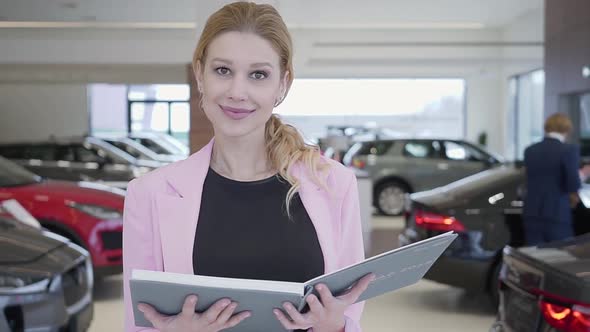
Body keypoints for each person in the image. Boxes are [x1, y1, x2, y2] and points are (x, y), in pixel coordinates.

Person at [123, 2, 373, 332]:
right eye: (223, 71)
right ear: (200, 74)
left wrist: (335, 327)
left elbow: (349, 314)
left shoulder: (333, 184)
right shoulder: (149, 194)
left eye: (258, 74)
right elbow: (137, 323)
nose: (237, 92)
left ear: (282, 85)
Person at [523, 113, 581, 245]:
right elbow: (572, 183)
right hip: (557, 213)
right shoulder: (569, 150)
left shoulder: (530, 150)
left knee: (535, 258)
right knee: (559, 258)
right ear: (567, 130)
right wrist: (583, 174)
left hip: (531, 212)